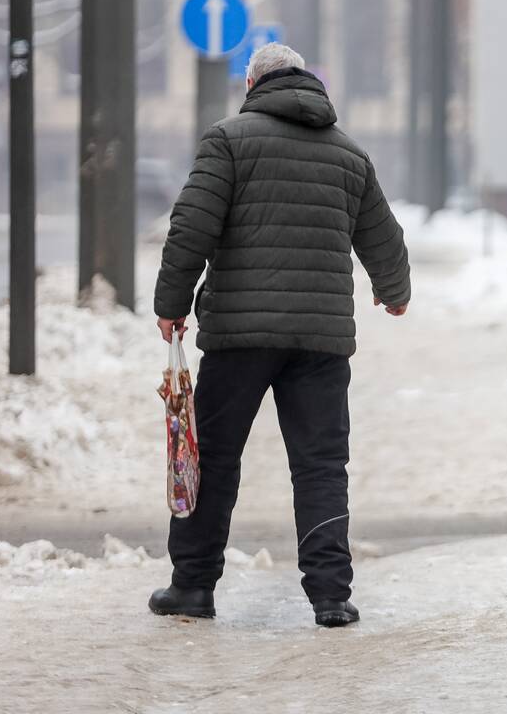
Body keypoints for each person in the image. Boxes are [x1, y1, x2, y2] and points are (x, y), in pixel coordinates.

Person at [148, 43, 410, 627]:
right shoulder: (350, 155)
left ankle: (192, 586)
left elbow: (191, 227)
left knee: (212, 458)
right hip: (320, 342)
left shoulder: (228, 139)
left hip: (240, 336)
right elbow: (385, 239)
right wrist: (393, 291)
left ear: (252, 85)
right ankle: (330, 596)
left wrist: (171, 305)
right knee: (320, 465)